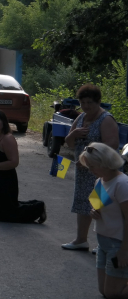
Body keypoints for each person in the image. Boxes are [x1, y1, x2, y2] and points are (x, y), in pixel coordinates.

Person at [62, 84, 120, 251]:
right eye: (83, 102)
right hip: (83, 171)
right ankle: (81, 240)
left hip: (101, 172)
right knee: (83, 204)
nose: (86, 106)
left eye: (90, 103)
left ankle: (104, 244)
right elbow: (69, 143)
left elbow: (112, 144)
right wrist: (73, 135)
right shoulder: (81, 118)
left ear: (98, 102)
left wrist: (89, 159)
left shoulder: (106, 119)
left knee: (101, 207)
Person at [0, 109, 46, 223]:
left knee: (9, 212)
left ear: (4, 122)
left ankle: (38, 208)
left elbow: (14, 162)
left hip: (5, 179)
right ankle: (35, 206)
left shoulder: (7, 138)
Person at [81, 143, 128, 298]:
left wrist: (124, 251)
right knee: (104, 291)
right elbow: (97, 206)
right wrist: (94, 212)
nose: (90, 170)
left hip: (119, 243)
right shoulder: (100, 180)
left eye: (92, 166)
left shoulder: (122, 184)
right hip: (103, 242)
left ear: (105, 164)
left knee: (113, 293)